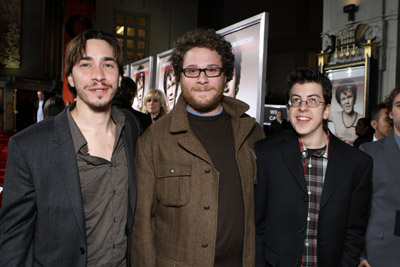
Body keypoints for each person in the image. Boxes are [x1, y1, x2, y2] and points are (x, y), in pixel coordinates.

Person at [0, 28, 139, 267]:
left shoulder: (132, 129)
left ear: (119, 77)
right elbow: (13, 239)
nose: (98, 75)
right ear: (71, 78)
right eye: (86, 65)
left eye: (108, 65)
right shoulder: (30, 146)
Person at [131, 28, 265, 267]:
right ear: (180, 76)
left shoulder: (252, 132)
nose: (202, 79)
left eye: (212, 70)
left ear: (226, 76)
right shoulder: (154, 140)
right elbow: (142, 224)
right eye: (192, 71)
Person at [255, 68, 372, 267]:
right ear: (288, 107)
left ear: (326, 110)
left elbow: (354, 231)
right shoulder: (266, 153)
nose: (302, 107)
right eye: (296, 100)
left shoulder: (357, 163)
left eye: (312, 101)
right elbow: (258, 225)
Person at [358, 87, 400, 267]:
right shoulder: (369, 152)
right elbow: (357, 208)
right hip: (380, 252)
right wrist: (360, 255)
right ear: (391, 113)